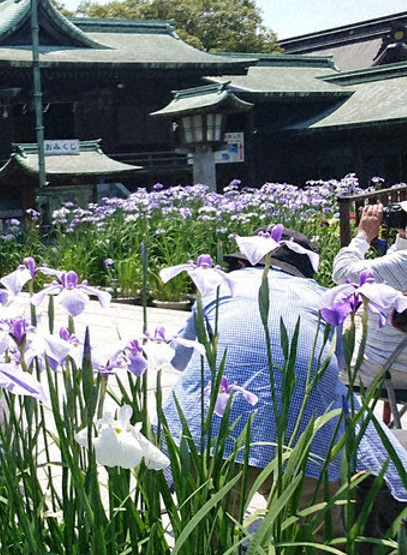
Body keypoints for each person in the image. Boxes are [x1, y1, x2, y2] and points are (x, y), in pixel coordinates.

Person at [165, 228, 407, 538]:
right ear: (303, 271)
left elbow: (180, 359)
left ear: (248, 262)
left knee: (209, 533)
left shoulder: (218, 288)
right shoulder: (320, 295)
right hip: (305, 435)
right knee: (316, 532)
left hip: (215, 429)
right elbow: (340, 366)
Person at [332, 202, 407, 380]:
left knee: (317, 357)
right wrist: (403, 237)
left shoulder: (402, 263)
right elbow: (394, 267)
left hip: (386, 370)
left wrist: (362, 236)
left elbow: (342, 273)